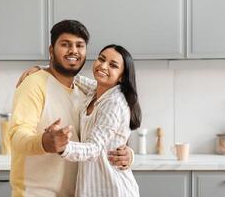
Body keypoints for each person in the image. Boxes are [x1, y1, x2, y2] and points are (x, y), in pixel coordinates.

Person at [10, 20, 134, 197]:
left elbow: (104, 136)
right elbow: (16, 136)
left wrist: (128, 154)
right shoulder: (34, 83)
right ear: (51, 51)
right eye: (65, 44)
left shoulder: (87, 92)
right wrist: (43, 142)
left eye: (79, 45)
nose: (73, 51)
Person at [60, 44, 141, 196]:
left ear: (122, 76)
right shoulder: (96, 91)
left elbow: (94, 149)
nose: (103, 66)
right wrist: (43, 69)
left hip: (113, 190)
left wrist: (61, 147)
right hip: (94, 188)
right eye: (101, 59)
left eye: (113, 65)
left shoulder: (114, 103)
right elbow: (75, 78)